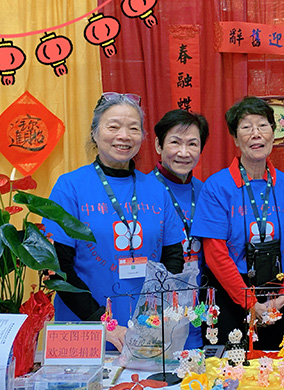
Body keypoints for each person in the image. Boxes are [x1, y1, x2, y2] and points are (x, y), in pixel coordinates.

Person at [43, 92, 185, 351]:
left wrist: (153, 314)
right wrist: (104, 323)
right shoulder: (69, 187)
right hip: (84, 333)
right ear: (95, 133)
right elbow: (58, 269)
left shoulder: (155, 189)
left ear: (142, 137)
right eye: (113, 126)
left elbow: (173, 257)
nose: (124, 136)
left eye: (134, 128)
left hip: (146, 334)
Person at [191, 96, 284, 349]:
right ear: (236, 139)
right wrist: (250, 301)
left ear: (274, 133)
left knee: (275, 376)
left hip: (275, 294)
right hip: (229, 295)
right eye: (246, 127)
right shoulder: (217, 187)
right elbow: (215, 254)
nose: (256, 134)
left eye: (263, 125)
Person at [151, 109, 210, 348]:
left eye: (192, 144)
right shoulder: (145, 191)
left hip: (200, 301)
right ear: (158, 145)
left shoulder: (207, 190)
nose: (183, 153)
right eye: (175, 142)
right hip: (158, 303)